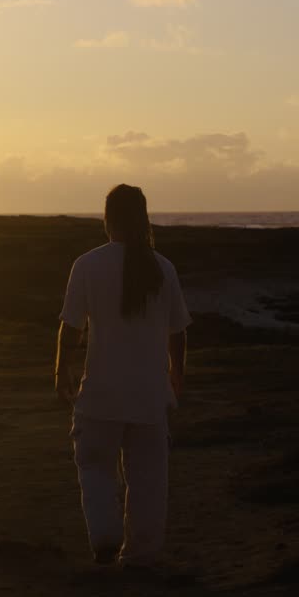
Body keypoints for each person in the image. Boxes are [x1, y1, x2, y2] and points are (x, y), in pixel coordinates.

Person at [55, 184, 191, 568]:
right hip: (149, 396)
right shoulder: (162, 267)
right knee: (149, 479)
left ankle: (106, 538)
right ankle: (141, 554)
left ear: (107, 218)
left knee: (95, 466)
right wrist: (176, 375)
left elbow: (70, 327)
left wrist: (60, 369)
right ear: (144, 217)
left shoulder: (87, 264)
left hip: (100, 395)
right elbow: (178, 331)